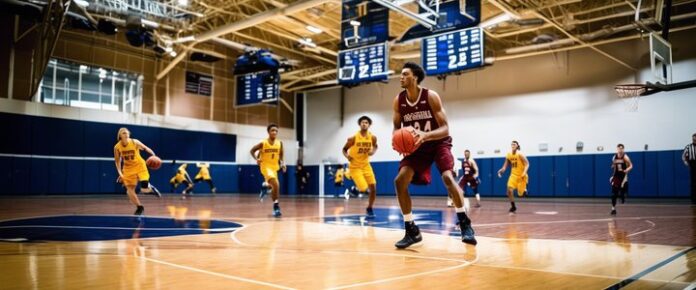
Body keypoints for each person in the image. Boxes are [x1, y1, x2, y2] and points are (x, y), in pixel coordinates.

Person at [392, 62, 477, 249]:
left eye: (404, 74)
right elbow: (396, 128)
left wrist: (426, 135)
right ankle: (411, 230)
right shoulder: (399, 100)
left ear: (414, 77)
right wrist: (396, 141)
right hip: (416, 147)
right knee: (400, 181)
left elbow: (446, 129)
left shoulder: (430, 96)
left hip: (438, 143)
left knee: (448, 177)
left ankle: (464, 223)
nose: (401, 77)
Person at [113, 127, 161, 215]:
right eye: (123, 133)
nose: (126, 134)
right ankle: (139, 207)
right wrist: (120, 173)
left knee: (144, 189)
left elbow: (146, 148)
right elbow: (117, 161)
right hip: (128, 169)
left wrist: (154, 155)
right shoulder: (117, 147)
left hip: (139, 165)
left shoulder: (134, 142)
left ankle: (150, 188)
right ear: (120, 135)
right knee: (129, 190)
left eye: (127, 133)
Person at [343, 115, 379, 218]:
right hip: (355, 166)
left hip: (366, 165)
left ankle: (370, 208)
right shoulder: (353, 138)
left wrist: (373, 151)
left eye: (366, 122)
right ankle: (354, 189)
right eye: (362, 122)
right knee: (364, 189)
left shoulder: (372, 137)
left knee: (373, 189)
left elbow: (376, 146)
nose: (364, 124)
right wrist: (347, 156)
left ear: (369, 125)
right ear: (360, 124)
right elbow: (344, 149)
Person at [250, 124, 287, 217]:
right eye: (272, 130)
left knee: (274, 187)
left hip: (275, 167)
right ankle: (276, 207)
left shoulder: (280, 143)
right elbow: (252, 150)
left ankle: (266, 186)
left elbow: (281, 154)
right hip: (265, 166)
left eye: (276, 131)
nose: (274, 132)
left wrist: (282, 163)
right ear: (268, 132)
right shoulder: (263, 143)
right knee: (276, 184)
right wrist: (256, 159)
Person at [497, 141, 529, 214]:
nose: (513, 145)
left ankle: (524, 190)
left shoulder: (520, 154)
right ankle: (513, 206)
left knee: (520, 194)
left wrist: (524, 172)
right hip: (513, 175)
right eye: (512, 144)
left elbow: (527, 164)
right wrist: (501, 170)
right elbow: (505, 166)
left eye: (514, 144)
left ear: (517, 146)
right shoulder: (509, 154)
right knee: (509, 191)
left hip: (521, 176)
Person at [610, 144, 632, 215]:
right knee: (614, 194)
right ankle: (613, 209)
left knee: (624, 190)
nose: (620, 150)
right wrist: (613, 166)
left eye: (622, 148)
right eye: (619, 148)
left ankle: (622, 196)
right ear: (617, 149)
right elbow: (614, 166)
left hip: (623, 176)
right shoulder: (614, 157)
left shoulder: (625, 157)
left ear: (623, 149)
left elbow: (631, 165)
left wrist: (627, 169)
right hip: (616, 176)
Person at [683, 133, 696, 204]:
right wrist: (686, 162)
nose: (694, 140)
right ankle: (694, 199)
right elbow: (683, 156)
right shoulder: (688, 147)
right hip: (693, 164)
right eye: (693, 138)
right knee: (693, 182)